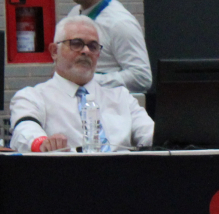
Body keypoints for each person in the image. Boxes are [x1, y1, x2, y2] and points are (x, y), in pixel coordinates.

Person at [9, 16, 154, 152]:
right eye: (76, 44)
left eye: (93, 46)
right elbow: (24, 130)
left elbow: (151, 134)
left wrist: (163, 138)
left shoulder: (122, 98)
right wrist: (42, 143)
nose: (86, 51)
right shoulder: (33, 97)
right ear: (54, 51)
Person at [65, 0, 151, 94]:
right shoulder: (74, 13)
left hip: (106, 103)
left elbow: (142, 77)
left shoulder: (120, 23)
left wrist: (90, 80)